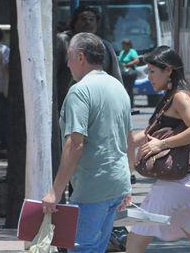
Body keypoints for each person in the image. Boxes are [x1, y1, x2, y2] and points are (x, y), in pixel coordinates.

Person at [41, 33, 133, 252]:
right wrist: (128, 183)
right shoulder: (117, 87)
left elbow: (75, 144)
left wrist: (55, 191)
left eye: (69, 56)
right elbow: (129, 138)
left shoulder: (79, 91)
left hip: (93, 188)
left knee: (81, 248)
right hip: (116, 185)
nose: (67, 63)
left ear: (80, 57)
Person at [126, 46, 190, 253]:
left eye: (152, 71)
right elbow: (154, 131)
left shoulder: (179, 97)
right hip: (188, 180)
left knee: (135, 240)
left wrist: (162, 144)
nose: (148, 77)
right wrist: (129, 142)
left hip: (175, 183)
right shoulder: (170, 95)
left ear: (168, 70)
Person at [55, 5, 123, 110]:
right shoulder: (63, 41)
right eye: (83, 19)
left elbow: (116, 77)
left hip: (97, 107)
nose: (88, 22)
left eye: (92, 19)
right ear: (74, 22)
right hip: (67, 105)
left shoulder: (105, 46)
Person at [118, 39, 140, 111]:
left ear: (129, 45)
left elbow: (137, 60)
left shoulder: (132, 52)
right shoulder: (122, 52)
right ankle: (123, 105)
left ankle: (131, 105)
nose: (123, 46)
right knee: (122, 89)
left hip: (130, 74)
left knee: (129, 89)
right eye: (123, 45)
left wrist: (128, 64)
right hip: (122, 73)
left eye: (125, 45)